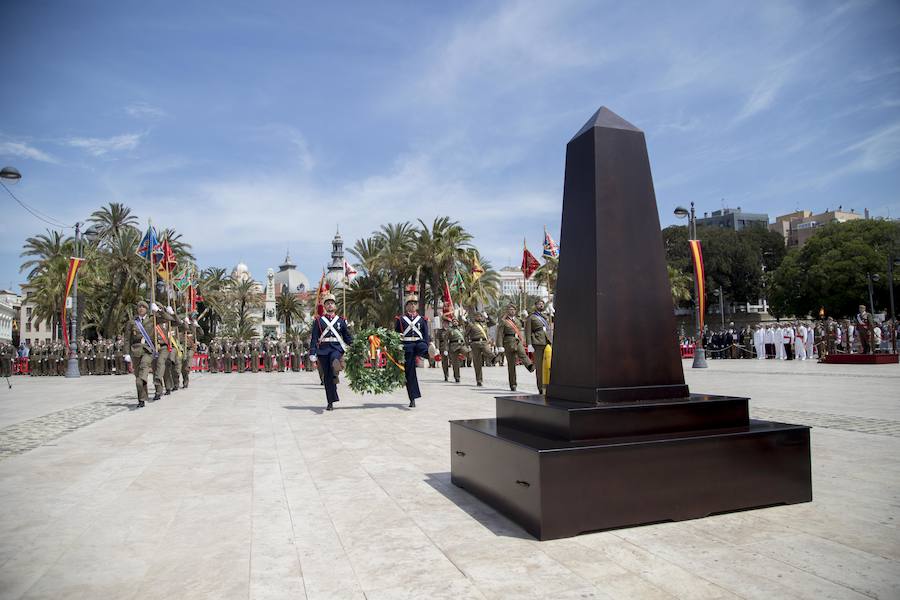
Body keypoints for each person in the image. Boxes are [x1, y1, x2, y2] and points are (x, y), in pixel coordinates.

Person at [309, 293, 352, 411]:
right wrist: (312, 353)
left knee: (334, 358)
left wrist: (354, 345)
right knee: (327, 378)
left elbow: (347, 337)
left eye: (332, 303)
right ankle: (330, 401)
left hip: (336, 348)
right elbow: (314, 338)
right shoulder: (318, 321)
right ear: (324, 306)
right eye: (327, 304)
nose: (330, 305)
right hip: (323, 350)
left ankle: (336, 364)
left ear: (335, 306)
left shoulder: (341, 321)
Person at [395, 294, 430, 407]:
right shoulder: (400, 319)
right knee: (410, 373)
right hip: (407, 345)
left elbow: (425, 335)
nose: (413, 306)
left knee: (423, 346)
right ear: (406, 306)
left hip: (419, 343)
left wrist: (427, 343)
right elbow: (396, 334)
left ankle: (428, 353)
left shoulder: (422, 319)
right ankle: (412, 398)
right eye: (411, 304)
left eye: (415, 304)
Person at [496, 303, 534, 391]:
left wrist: (527, 316)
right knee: (511, 365)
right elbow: (500, 334)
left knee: (522, 354)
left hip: (517, 341)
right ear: (507, 311)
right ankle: (513, 384)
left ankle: (530, 366)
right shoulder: (503, 321)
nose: (512, 311)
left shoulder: (518, 320)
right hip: (508, 342)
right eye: (510, 309)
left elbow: (526, 325)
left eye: (513, 309)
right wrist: (500, 346)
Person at [127, 300, 157, 407]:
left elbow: (169, 319)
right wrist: (126, 353)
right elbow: (127, 339)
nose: (141, 308)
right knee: (138, 377)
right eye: (139, 307)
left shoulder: (152, 320)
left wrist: (159, 311)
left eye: (143, 307)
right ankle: (142, 399)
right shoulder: (132, 322)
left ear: (146, 309)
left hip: (147, 350)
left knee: (142, 373)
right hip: (135, 351)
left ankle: (142, 397)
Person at [525, 299, 552, 393]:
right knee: (539, 367)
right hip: (537, 343)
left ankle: (548, 385)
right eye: (539, 304)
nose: (541, 305)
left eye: (542, 304)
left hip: (548, 342)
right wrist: (529, 344)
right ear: (535, 305)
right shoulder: (531, 317)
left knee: (549, 365)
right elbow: (527, 331)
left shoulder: (545, 317)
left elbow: (549, 329)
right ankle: (541, 388)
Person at [465, 311, 491, 387]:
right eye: (477, 316)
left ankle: (495, 360)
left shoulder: (484, 324)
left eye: (480, 316)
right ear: (475, 317)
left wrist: (487, 316)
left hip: (484, 343)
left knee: (490, 354)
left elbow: (492, 322)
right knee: (477, 363)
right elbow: (465, 335)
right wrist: (468, 344)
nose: (479, 317)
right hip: (475, 343)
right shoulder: (471, 325)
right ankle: (479, 380)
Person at [447, 317, 466, 383]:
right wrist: (446, 349)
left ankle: (465, 361)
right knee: (455, 363)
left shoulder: (461, 329)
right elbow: (446, 340)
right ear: (452, 323)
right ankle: (457, 377)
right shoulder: (449, 330)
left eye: (456, 321)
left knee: (468, 353)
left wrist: (467, 345)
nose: (455, 322)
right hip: (453, 346)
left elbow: (465, 337)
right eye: (454, 321)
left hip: (461, 345)